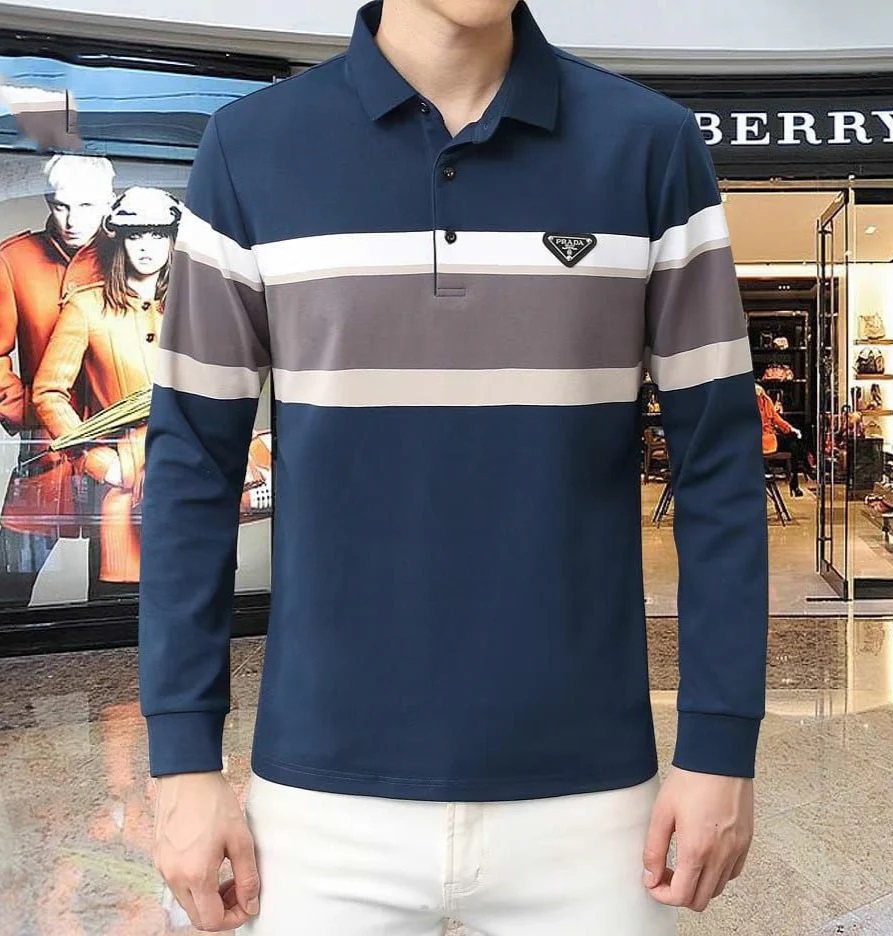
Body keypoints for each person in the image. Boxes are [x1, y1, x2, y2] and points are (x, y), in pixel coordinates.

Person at [139, 2, 769, 934]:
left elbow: (718, 464)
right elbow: (192, 467)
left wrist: (721, 743)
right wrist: (182, 760)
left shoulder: (650, 146)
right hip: (317, 808)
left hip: (594, 809)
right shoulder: (250, 149)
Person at [32, 187, 181, 593]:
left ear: (172, 240)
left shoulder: (198, 306)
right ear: (120, 240)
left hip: (190, 481)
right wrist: (100, 462)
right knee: (119, 610)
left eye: (158, 235)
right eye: (136, 235)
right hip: (124, 487)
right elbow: (48, 392)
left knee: (197, 604)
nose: (146, 247)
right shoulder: (86, 306)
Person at [0, 154, 114, 604]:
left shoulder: (129, 256)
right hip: (45, 450)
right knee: (8, 585)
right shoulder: (15, 258)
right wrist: (26, 410)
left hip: (118, 448)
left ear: (108, 202)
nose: (71, 220)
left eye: (86, 206)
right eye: (61, 205)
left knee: (116, 594)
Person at [755, 382, 805, 497]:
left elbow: (776, 419)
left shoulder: (766, 400)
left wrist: (791, 429)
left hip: (770, 437)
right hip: (757, 440)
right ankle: (765, 471)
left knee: (794, 443)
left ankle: (794, 482)